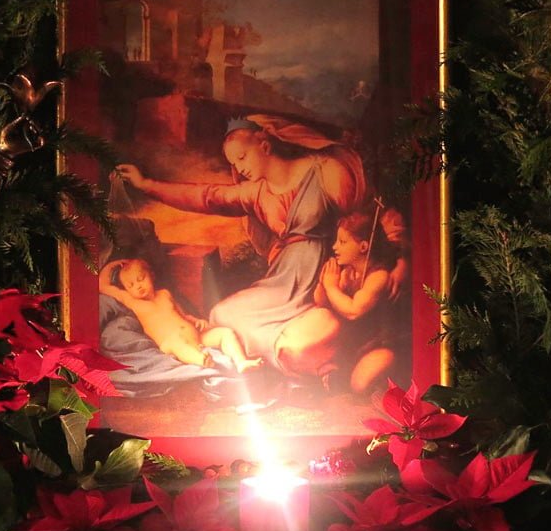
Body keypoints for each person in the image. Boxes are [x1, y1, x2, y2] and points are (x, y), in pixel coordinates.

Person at [113, 114, 367, 378]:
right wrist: (147, 184)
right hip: (282, 277)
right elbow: (206, 196)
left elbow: (358, 224)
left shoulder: (325, 170)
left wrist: (350, 272)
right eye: (234, 163)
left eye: (242, 157)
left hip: (324, 273)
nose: (240, 168)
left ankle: (305, 355)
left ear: (264, 145)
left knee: (309, 332)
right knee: (221, 314)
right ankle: (289, 356)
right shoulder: (256, 192)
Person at [100, 257, 262, 373]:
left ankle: (241, 362)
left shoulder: (164, 294)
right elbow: (103, 286)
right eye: (131, 285)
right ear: (126, 290)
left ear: (151, 276)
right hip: (170, 344)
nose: (138, 286)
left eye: (141, 279)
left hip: (196, 338)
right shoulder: (132, 301)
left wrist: (197, 321)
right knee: (177, 343)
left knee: (225, 333)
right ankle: (201, 360)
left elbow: (182, 315)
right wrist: (113, 264)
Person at [313, 209, 397, 393]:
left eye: (342, 242)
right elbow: (323, 304)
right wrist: (323, 283)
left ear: (363, 246)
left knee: (360, 385)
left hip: (377, 345)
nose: (335, 247)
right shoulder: (348, 274)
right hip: (352, 345)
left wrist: (331, 287)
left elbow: (353, 311)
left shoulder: (378, 276)